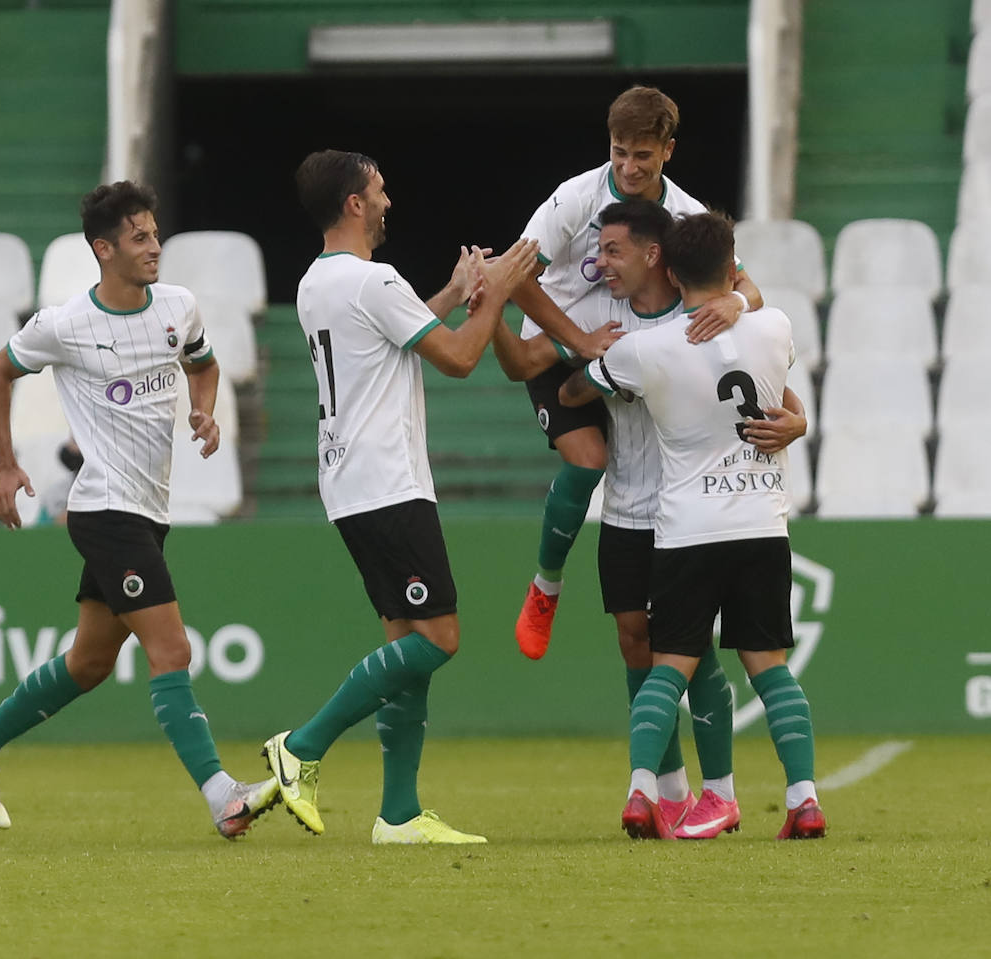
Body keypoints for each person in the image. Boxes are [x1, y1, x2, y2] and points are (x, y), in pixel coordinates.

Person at [0, 181, 279, 840]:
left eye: (155, 234)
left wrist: (204, 406)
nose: (154, 247)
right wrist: (6, 464)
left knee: (89, 663)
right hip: (104, 509)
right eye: (140, 237)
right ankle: (222, 795)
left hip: (149, 511)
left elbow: (202, 366)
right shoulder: (66, 324)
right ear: (104, 249)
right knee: (171, 648)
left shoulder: (178, 307)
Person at [262, 149, 540, 844]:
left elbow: (392, 337)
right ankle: (302, 744)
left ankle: (399, 813)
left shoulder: (317, 282)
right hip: (388, 480)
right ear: (354, 203)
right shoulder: (374, 278)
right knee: (438, 639)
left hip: (350, 480)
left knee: (404, 646)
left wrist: (451, 293)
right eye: (380, 190)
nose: (389, 201)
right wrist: (498, 291)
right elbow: (459, 359)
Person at [525, 198, 807, 838]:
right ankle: (688, 794)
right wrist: (578, 343)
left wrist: (603, 372)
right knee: (645, 643)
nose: (599, 264)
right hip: (642, 509)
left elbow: (777, 393)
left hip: (683, 519)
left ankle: (697, 791)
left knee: (682, 656)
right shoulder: (603, 314)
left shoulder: (676, 336)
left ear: (662, 261)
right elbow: (525, 368)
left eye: (613, 251)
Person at [493, 85, 764, 661]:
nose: (628, 166)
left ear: (668, 150)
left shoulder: (686, 214)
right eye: (619, 152)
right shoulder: (574, 200)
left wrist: (736, 303)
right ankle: (545, 586)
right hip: (561, 340)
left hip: (637, 343)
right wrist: (579, 341)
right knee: (589, 459)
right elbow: (514, 276)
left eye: (642, 154)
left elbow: (749, 289)